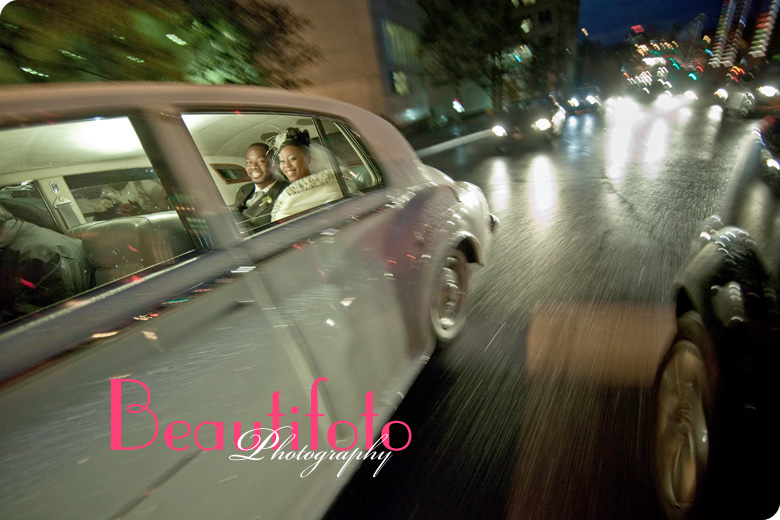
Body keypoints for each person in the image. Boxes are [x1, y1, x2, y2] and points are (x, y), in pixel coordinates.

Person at [270, 127, 353, 221]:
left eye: (292, 158)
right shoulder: (286, 192)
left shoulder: (331, 187)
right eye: (282, 161)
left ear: (308, 159)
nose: (286, 165)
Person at [234, 142, 288, 228]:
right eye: (249, 162)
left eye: (260, 161)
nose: (253, 166)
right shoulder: (243, 189)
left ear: (274, 164)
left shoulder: (288, 191)